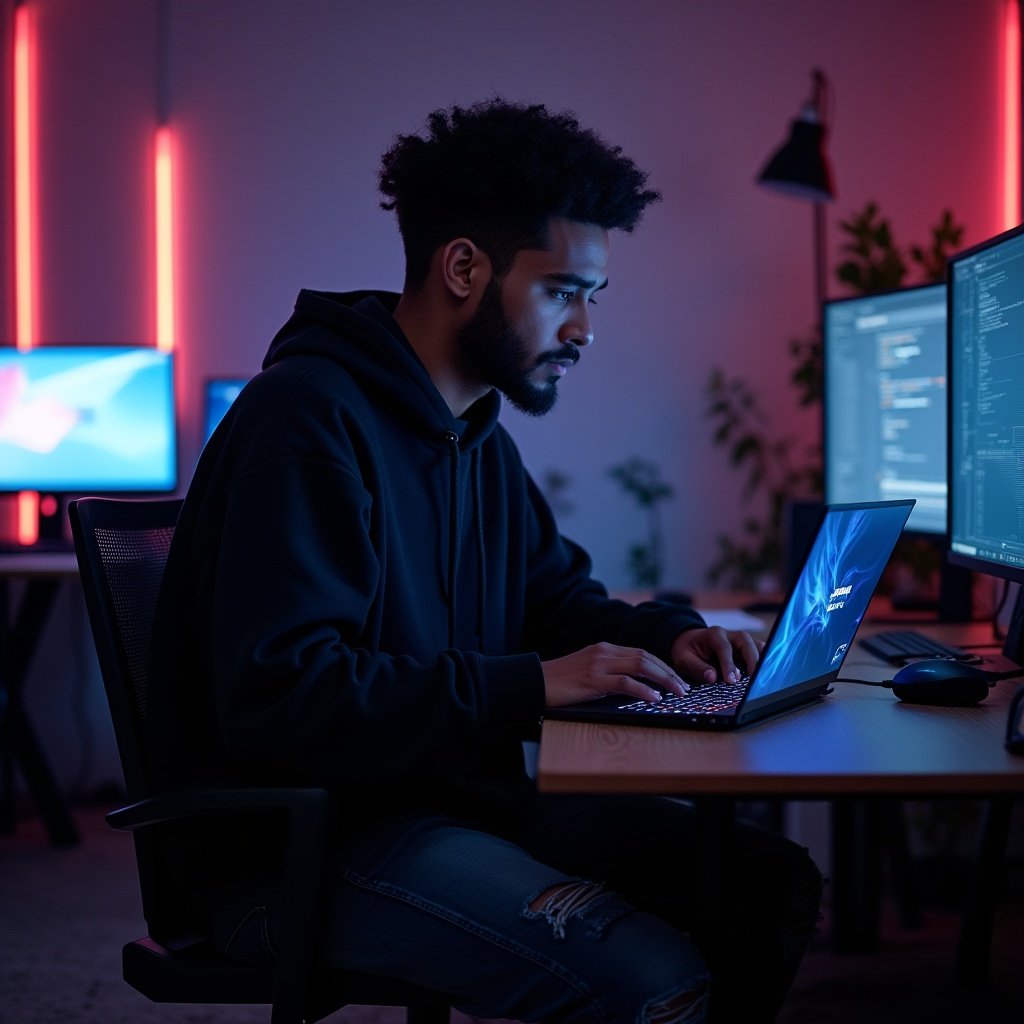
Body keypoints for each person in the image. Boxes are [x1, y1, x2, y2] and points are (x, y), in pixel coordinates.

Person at [148, 98, 822, 1023]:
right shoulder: (305, 421)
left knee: (765, 882)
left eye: (594, 297)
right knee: (647, 977)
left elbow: (561, 601)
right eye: (562, 291)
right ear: (463, 266)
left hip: (447, 800)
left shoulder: (474, 435)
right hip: (311, 843)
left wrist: (676, 635)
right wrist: (527, 687)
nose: (584, 329)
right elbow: (286, 701)